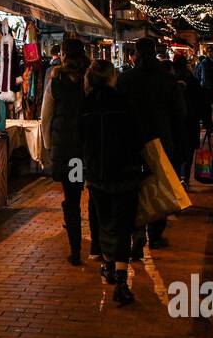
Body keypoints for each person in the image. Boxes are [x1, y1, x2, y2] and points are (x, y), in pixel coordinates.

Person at [80, 60, 145, 305]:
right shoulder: (123, 102)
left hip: (97, 174)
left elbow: (80, 138)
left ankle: (108, 265)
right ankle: (120, 279)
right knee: (123, 225)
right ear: (111, 77)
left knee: (104, 221)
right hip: (126, 173)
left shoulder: (85, 104)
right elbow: (138, 138)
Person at [117, 38, 187, 254]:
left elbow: (117, 111)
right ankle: (155, 234)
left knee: (134, 188)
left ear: (136, 54)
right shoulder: (167, 79)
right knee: (159, 186)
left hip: (131, 141)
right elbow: (180, 114)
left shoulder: (126, 79)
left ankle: (136, 232)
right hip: (161, 141)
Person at [39, 37, 98, 264]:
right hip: (91, 150)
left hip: (69, 153)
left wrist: (48, 146)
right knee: (94, 195)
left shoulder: (56, 79)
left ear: (63, 54)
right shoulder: (92, 78)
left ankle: (75, 249)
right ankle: (96, 246)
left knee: (72, 199)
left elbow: (46, 116)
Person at [172, 53, 208, 187]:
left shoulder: (170, 80)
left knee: (177, 150)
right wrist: (206, 121)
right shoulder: (192, 80)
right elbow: (201, 102)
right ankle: (184, 177)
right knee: (189, 150)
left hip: (176, 121)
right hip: (191, 120)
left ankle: (177, 178)